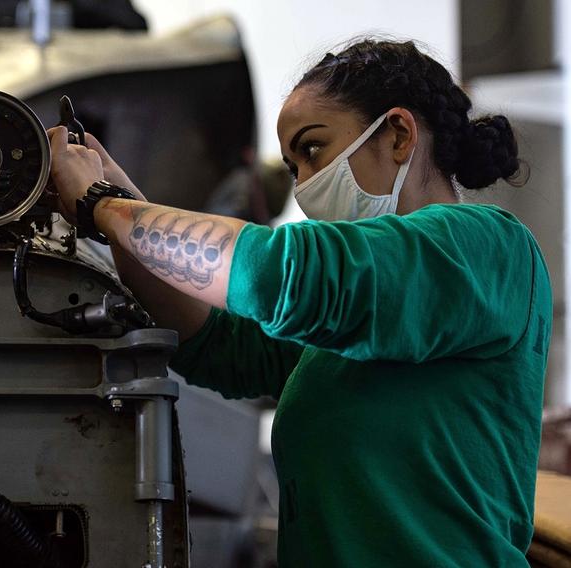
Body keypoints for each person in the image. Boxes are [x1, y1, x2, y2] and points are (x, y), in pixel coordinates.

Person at [47, 38, 552, 566]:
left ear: (399, 135)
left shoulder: (483, 246)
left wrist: (101, 207)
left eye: (313, 150)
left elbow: (277, 272)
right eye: (293, 169)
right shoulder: (356, 316)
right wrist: (118, 203)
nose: (305, 187)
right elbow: (219, 343)